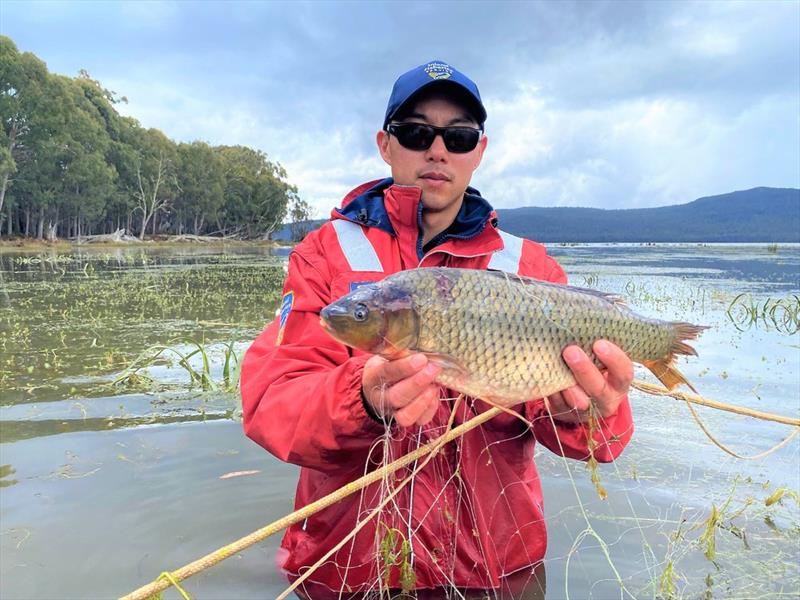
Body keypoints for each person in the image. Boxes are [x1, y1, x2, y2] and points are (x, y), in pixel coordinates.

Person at [241, 60, 634, 599]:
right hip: (348, 574)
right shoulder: (324, 255)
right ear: (386, 144)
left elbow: (599, 439)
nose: (438, 150)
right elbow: (271, 403)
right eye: (416, 132)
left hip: (497, 574)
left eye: (459, 136)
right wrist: (362, 399)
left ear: (479, 150)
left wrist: (588, 412)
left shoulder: (532, 268)